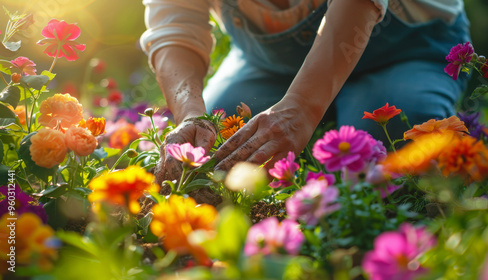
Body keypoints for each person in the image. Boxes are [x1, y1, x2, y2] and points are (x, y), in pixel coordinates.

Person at [140, 0, 470, 183]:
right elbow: (173, 26)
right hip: (271, 64)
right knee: (223, 135)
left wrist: (301, 108)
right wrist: (192, 113)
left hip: (402, 49)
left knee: (386, 138)